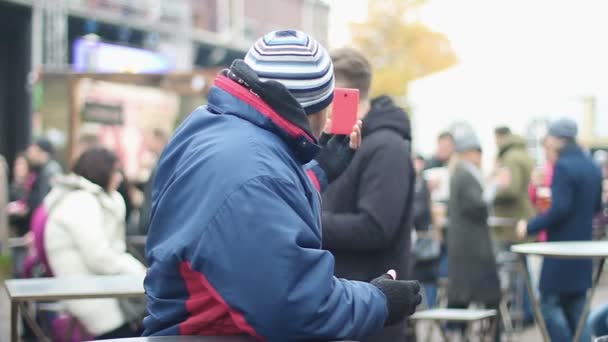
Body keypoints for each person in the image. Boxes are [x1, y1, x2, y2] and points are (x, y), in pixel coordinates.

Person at [143, 30, 421, 341]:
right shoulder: (255, 173)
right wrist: (379, 300)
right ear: (314, 109)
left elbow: (244, 215)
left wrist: (318, 172)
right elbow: (293, 306)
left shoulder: (213, 128)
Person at [319, 47, 416, 342]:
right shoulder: (338, 142)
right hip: (349, 305)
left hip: (372, 314)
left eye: (325, 91)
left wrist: (307, 219)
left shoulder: (387, 148)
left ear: (345, 93)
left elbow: (375, 227)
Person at [44, 147, 146, 339]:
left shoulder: (90, 199)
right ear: (101, 171)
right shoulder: (81, 202)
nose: (119, 177)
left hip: (98, 287)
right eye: (116, 171)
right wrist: (139, 271)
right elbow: (99, 256)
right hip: (90, 292)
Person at [517, 118, 602, 342]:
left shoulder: (563, 167)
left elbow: (559, 210)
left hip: (560, 250)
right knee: (577, 309)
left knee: (547, 306)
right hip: (584, 248)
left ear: (558, 140)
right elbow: (596, 208)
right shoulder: (591, 165)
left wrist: (529, 226)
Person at [447, 130, 501, 341]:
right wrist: (495, 186)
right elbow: (477, 205)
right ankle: (491, 335)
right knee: (487, 295)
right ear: (469, 152)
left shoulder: (460, 173)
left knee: (463, 295)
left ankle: (458, 333)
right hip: (473, 247)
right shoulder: (465, 174)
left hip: (466, 245)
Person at [492, 126, 535, 243]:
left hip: (515, 217)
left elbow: (511, 189)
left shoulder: (510, 158)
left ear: (500, 137)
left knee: (516, 258)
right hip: (527, 213)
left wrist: (491, 194)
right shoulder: (524, 154)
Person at [412, 154, 439, 308]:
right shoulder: (418, 183)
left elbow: (421, 210)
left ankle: (428, 307)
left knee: (428, 274)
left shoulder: (423, 184)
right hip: (419, 236)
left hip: (423, 236)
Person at [137, 128, 168, 234]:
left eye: (150, 139)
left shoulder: (163, 163)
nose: (147, 143)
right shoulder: (160, 161)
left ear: (158, 139)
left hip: (152, 222)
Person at [25, 138, 62, 222]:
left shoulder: (50, 170)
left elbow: (44, 200)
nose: (30, 152)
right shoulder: (40, 169)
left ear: (44, 153)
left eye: (34, 149)